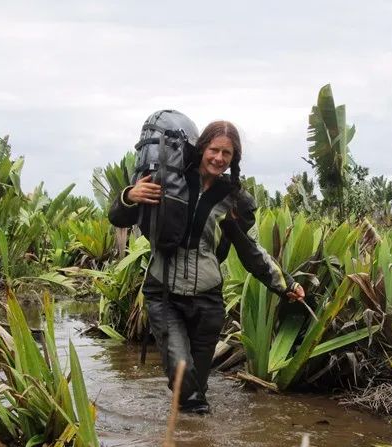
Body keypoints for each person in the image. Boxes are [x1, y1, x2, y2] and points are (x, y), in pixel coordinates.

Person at [109, 120, 305, 414]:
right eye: (214, 150)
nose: (219, 158)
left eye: (227, 154)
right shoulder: (169, 182)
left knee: (196, 388)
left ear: (233, 158)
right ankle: (196, 440)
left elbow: (250, 250)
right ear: (202, 149)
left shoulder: (232, 199)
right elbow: (118, 217)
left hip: (207, 301)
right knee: (181, 375)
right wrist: (128, 196)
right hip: (164, 295)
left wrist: (285, 284)